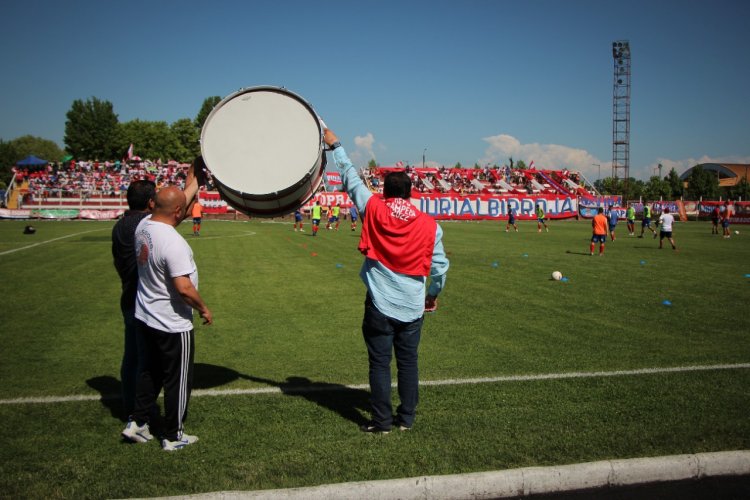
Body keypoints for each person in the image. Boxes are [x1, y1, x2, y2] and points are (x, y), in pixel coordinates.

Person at [325, 128, 449, 433]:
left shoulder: (374, 208)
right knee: (408, 363)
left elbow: (350, 177)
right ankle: (406, 419)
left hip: (379, 304)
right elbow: (441, 269)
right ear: (409, 193)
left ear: (384, 191)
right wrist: (432, 295)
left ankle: (381, 423)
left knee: (380, 364)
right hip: (412, 306)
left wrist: (336, 145)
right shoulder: (430, 225)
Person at [122, 177, 212, 451]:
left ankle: (137, 423)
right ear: (177, 212)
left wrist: (193, 177)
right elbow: (183, 288)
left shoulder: (143, 226)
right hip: (172, 323)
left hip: (145, 316)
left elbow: (172, 211)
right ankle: (173, 436)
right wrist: (204, 308)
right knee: (178, 380)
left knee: (149, 372)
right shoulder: (174, 243)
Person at [111, 180, 156, 417]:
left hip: (128, 296)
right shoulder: (145, 224)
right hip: (144, 302)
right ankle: (140, 412)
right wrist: (193, 181)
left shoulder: (120, 225)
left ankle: (131, 407)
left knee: (132, 357)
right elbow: (175, 213)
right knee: (147, 361)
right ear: (151, 202)